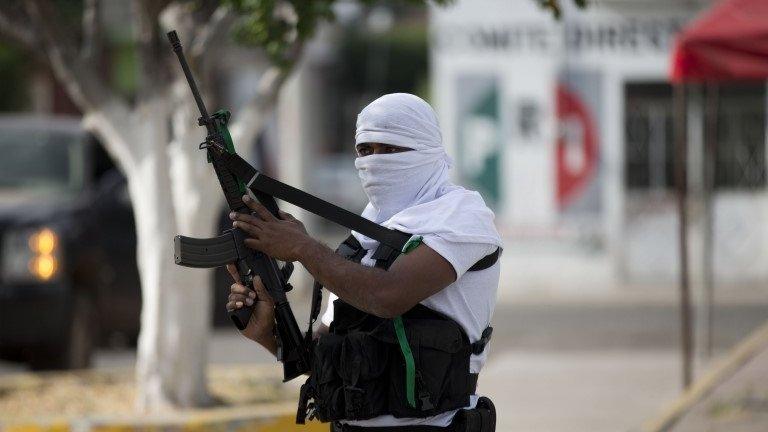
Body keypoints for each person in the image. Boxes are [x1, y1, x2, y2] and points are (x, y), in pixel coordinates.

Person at [226, 93, 502, 431]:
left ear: (426, 149)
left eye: (390, 149)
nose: (375, 162)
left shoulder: (461, 216)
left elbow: (389, 296)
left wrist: (304, 249)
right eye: (365, 150)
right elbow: (327, 361)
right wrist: (266, 331)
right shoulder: (366, 238)